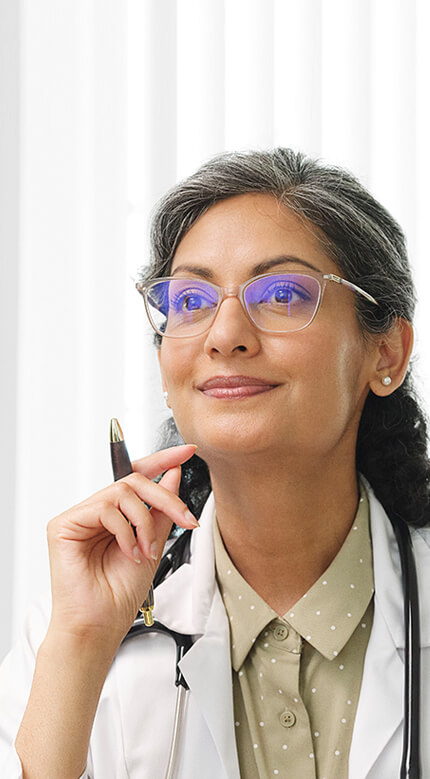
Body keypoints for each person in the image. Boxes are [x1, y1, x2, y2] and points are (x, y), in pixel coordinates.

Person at [0, 147, 429, 779]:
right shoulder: (73, 630)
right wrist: (82, 645)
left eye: (281, 293)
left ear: (386, 353)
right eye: (191, 301)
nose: (224, 335)